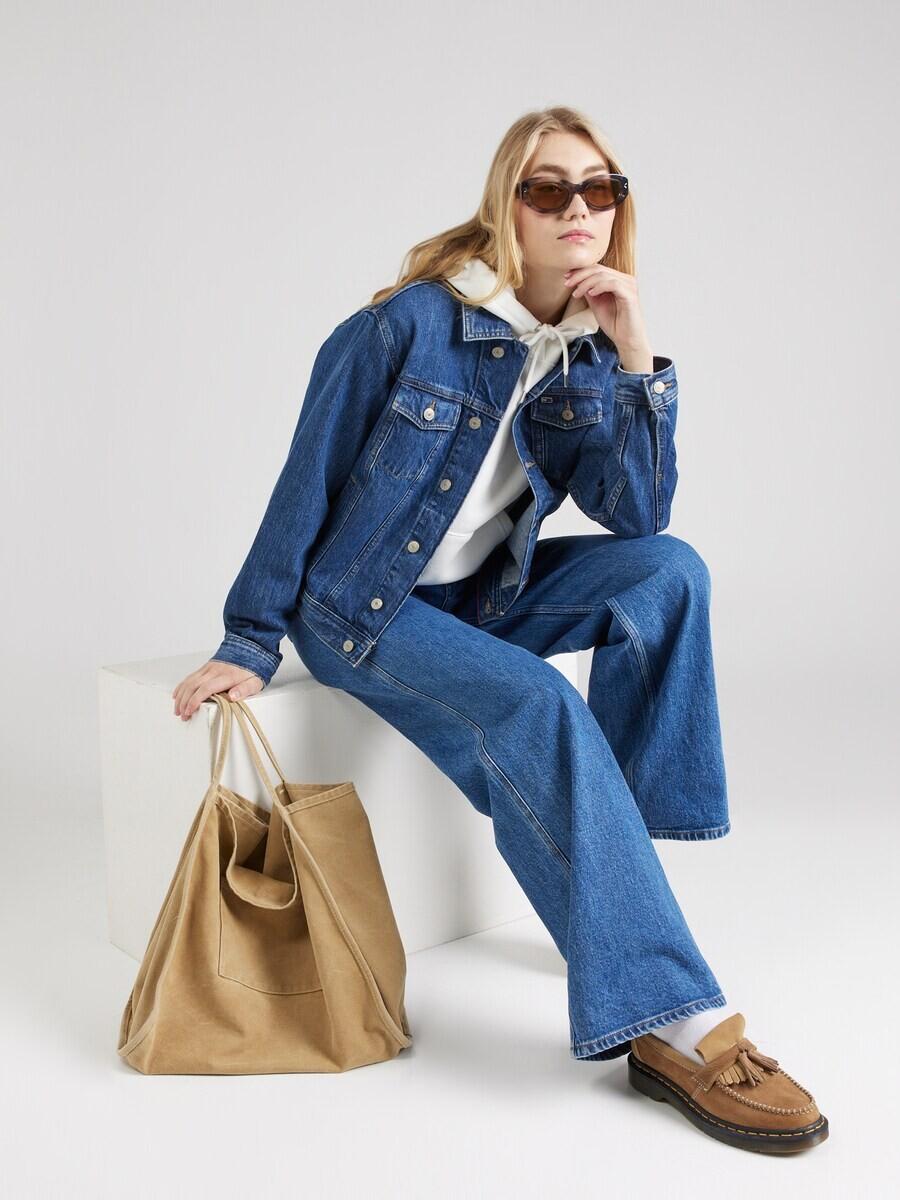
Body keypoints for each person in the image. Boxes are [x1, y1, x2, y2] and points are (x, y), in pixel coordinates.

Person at [171, 106, 828, 1153]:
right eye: (548, 189)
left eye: (599, 189)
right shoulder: (406, 325)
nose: (578, 209)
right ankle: (670, 1022)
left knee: (668, 574)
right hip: (361, 609)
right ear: (507, 208)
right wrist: (248, 640)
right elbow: (307, 477)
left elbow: (637, 516)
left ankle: (610, 879)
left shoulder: (583, 349)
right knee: (540, 705)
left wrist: (635, 354)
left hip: (478, 598)